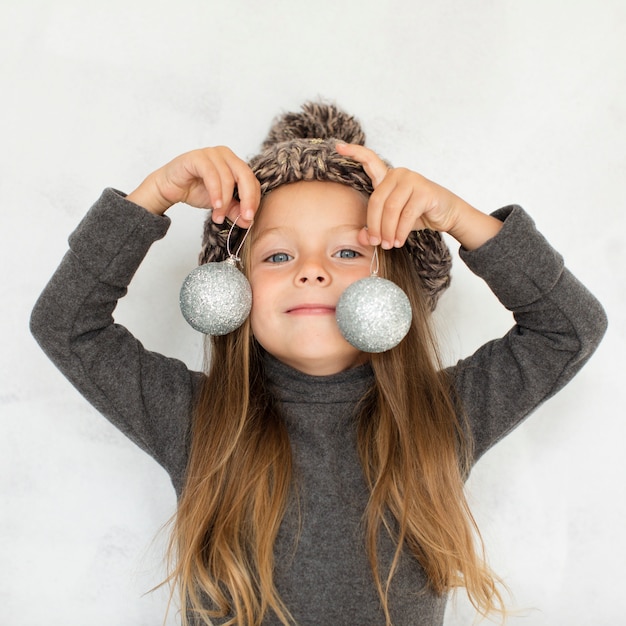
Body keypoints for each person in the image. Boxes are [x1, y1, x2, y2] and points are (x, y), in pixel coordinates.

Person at [30, 101, 607, 626]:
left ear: (399, 284)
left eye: (348, 252)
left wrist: (458, 217)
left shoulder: (445, 417)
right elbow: (66, 325)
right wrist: (153, 194)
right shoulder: (197, 420)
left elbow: (570, 329)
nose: (312, 271)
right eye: (279, 254)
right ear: (232, 289)